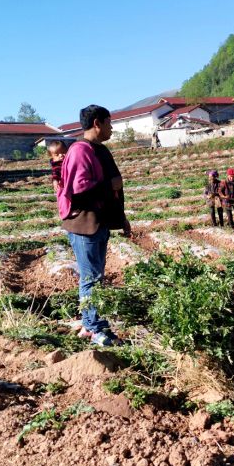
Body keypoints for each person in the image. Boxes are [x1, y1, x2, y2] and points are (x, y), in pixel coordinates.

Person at [58, 105, 132, 347]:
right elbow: (78, 192)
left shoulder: (100, 149)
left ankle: (90, 323)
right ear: (97, 123)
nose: (112, 127)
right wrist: (110, 184)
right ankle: (94, 328)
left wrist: (122, 219)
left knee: (95, 277)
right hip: (84, 225)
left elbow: (114, 190)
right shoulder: (81, 151)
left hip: (99, 223)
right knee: (91, 278)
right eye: (109, 122)